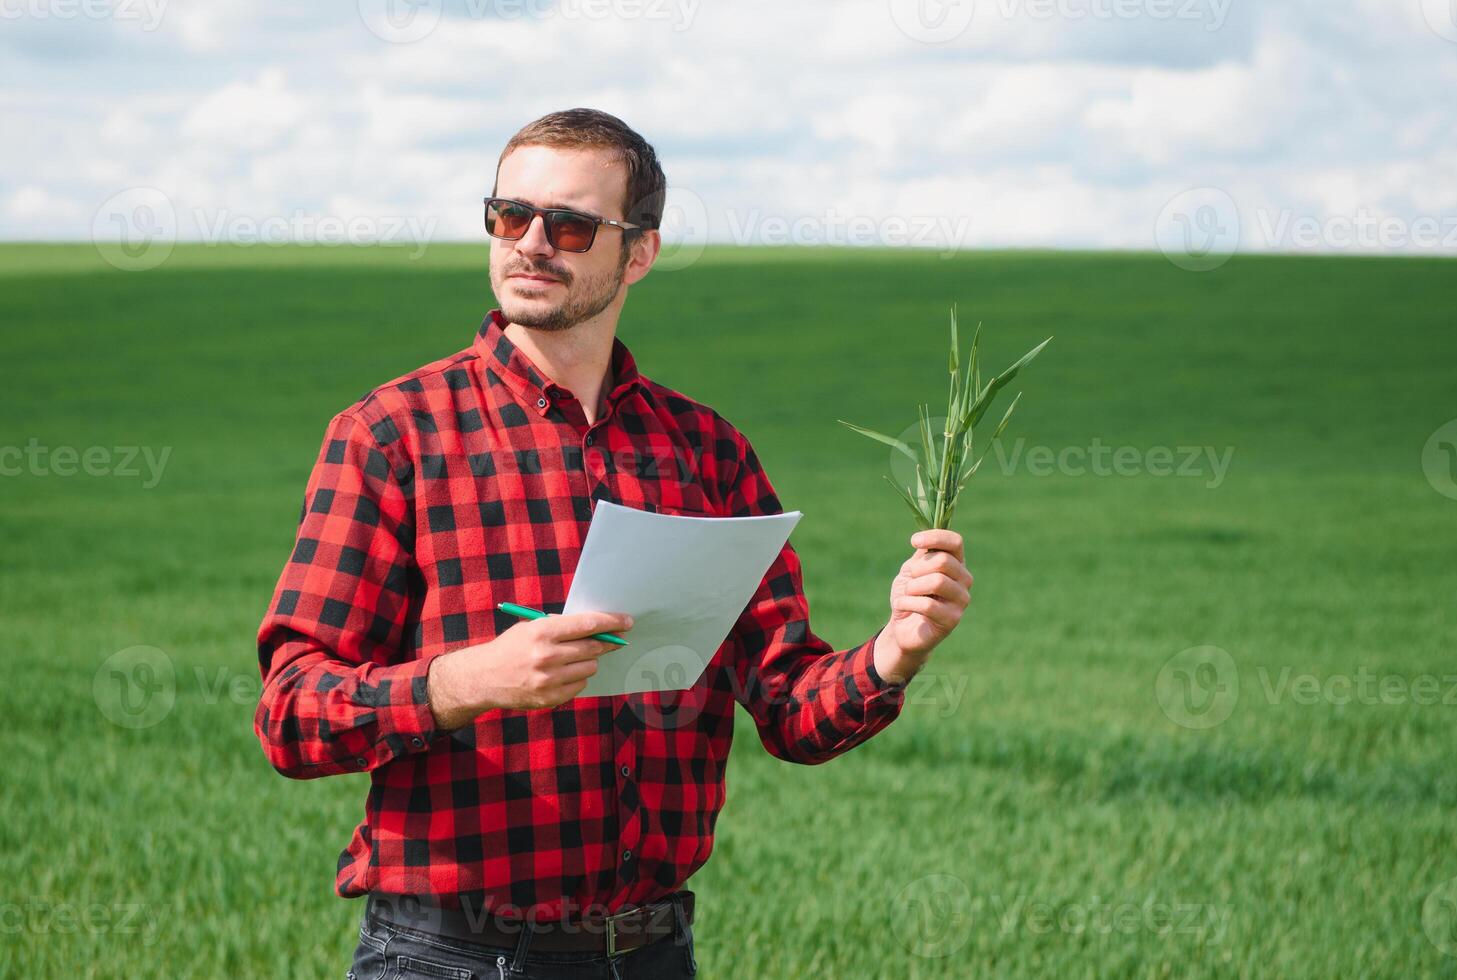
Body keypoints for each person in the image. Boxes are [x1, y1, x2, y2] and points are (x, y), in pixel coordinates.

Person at [253, 107, 974, 979]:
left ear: (639, 253)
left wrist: (896, 649)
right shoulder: (393, 436)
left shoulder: (705, 451)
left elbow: (790, 709)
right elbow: (292, 715)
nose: (530, 243)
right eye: (508, 215)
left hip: (649, 952)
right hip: (444, 954)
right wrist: (469, 681)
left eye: (569, 225)